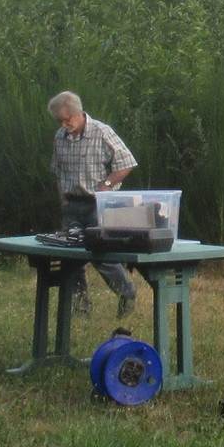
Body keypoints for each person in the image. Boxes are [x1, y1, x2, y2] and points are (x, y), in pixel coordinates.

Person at [46, 90, 137, 318]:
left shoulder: (102, 132)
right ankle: (80, 308)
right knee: (71, 258)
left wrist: (106, 185)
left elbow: (127, 163)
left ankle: (127, 293)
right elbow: (58, 170)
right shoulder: (60, 137)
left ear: (78, 113)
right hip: (72, 205)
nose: (64, 124)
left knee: (102, 256)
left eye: (67, 119)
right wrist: (62, 197)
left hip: (98, 205)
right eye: (59, 121)